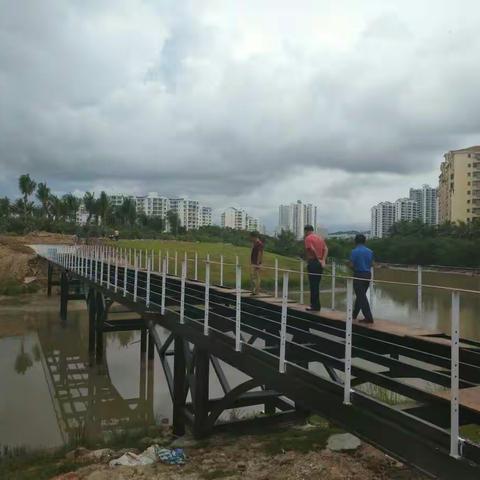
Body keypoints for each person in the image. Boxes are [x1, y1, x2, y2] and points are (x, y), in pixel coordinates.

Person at [349, 234, 374, 324]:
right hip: (367, 275)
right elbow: (371, 264)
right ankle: (354, 315)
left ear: (355, 241)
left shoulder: (354, 251)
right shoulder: (370, 251)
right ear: (365, 241)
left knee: (361, 297)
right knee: (361, 295)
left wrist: (353, 268)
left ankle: (369, 318)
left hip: (358, 275)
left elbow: (351, 265)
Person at [304, 225, 328, 312]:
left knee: (313, 285)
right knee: (316, 284)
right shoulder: (320, 238)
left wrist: (317, 259)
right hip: (320, 263)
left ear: (306, 231)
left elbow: (312, 249)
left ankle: (314, 305)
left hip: (313, 262)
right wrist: (323, 260)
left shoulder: (308, 238)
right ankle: (317, 305)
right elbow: (326, 249)